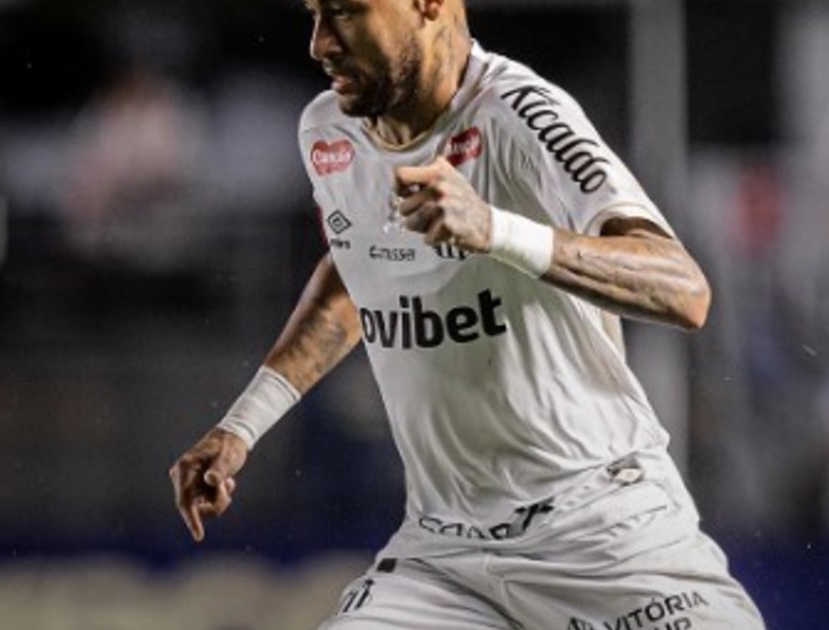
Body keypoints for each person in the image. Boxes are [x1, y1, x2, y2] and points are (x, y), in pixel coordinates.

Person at [169, 1, 766, 628]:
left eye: (345, 11)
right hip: (446, 556)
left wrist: (494, 229)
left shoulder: (519, 113)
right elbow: (357, 268)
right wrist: (243, 425)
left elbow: (683, 289)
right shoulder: (327, 132)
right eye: (314, 13)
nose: (320, 43)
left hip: (605, 537)